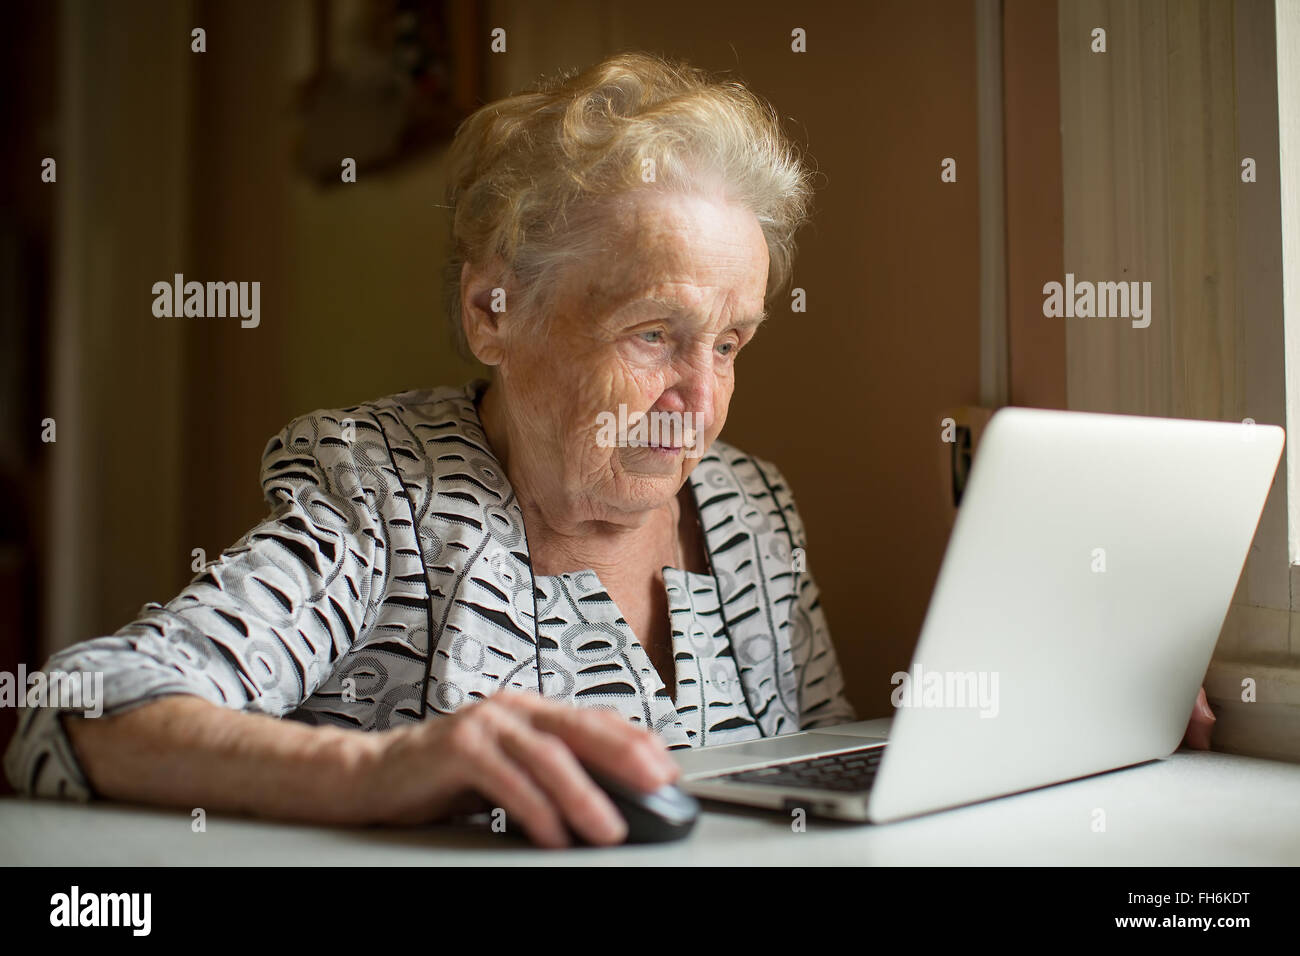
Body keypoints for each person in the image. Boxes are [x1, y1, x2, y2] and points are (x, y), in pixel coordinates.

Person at [3, 52, 858, 849]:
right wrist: (380, 770)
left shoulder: (751, 510)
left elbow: (835, 786)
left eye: (728, 343)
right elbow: (77, 713)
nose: (701, 403)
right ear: (494, 311)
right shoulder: (383, 497)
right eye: (651, 334)